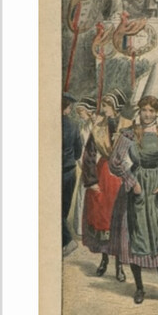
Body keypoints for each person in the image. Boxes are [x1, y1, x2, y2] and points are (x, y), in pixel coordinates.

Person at [109, 94, 158, 305]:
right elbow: (114, 162)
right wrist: (132, 182)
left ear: (157, 113)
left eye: (152, 111)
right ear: (139, 111)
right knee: (138, 236)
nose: (147, 114)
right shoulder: (129, 135)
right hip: (138, 191)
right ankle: (140, 288)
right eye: (144, 110)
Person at [81, 89, 127, 282]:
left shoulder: (129, 125)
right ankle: (104, 259)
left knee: (120, 220)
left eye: (107, 105)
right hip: (103, 176)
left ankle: (120, 266)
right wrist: (91, 181)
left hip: (123, 175)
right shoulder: (98, 127)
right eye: (104, 105)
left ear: (116, 107)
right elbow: (89, 155)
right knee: (103, 219)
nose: (104, 109)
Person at [69, 96, 97, 241]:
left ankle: (94, 228)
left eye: (81, 111)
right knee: (82, 195)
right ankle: (81, 228)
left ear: (89, 111)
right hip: (85, 164)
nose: (79, 114)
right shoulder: (84, 126)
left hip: (95, 165)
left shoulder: (97, 126)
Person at [62, 92, 82, 257]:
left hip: (58, 173)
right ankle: (65, 241)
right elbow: (78, 151)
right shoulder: (74, 126)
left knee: (56, 210)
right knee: (64, 209)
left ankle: (67, 241)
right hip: (70, 171)